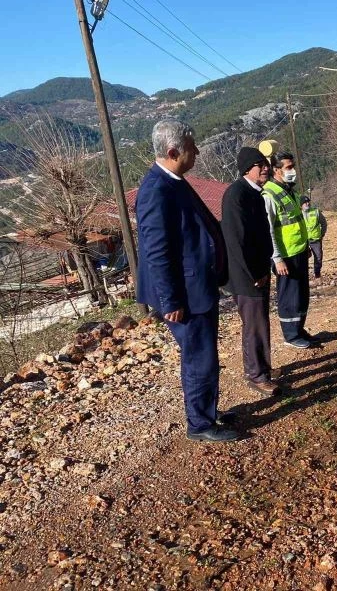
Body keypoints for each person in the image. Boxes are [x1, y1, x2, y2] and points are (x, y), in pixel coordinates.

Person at [136, 119, 238, 442]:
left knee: (205, 353)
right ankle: (200, 424)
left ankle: (207, 409)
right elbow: (157, 252)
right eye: (191, 148)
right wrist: (171, 301)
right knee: (198, 355)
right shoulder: (156, 190)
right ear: (172, 151)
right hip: (185, 294)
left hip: (199, 286)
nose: (196, 152)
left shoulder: (175, 180)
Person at [221, 147, 281, 398]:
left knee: (261, 321)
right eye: (260, 164)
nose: (266, 168)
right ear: (247, 168)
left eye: (266, 164)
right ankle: (256, 375)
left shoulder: (255, 194)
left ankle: (262, 368)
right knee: (254, 325)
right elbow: (237, 241)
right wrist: (253, 273)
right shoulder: (237, 195)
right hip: (247, 276)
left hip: (259, 271)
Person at [262, 151, 316, 349]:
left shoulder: (288, 191)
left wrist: (306, 245)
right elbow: (269, 229)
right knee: (289, 296)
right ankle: (291, 335)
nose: (292, 171)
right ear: (276, 170)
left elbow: (296, 221)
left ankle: (299, 330)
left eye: (292, 166)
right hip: (285, 255)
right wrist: (276, 258)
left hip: (298, 251)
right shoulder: (269, 194)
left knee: (302, 293)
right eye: (288, 167)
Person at [301, 194, 327, 279]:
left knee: (318, 257)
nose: (307, 203)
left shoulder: (316, 211)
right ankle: (304, 275)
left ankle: (317, 273)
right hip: (303, 241)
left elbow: (324, 223)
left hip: (315, 239)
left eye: (308, 202)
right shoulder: (298, 214)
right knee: (303, 259)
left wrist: (322, 234)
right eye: (305, 202)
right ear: (301, 204)